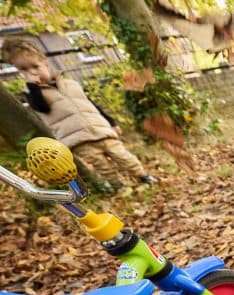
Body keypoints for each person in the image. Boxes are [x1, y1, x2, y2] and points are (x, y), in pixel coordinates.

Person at [0, 37, 158, 188]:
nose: (32, 72)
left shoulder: (71, 83)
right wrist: (33, 87)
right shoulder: (31, 93)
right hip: (77, 140)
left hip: (101, 130)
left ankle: (143, 176)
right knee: (102, 165)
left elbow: (92, 104)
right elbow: (42, 108)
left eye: (35, 66)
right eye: (24, 70)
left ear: (46, 64)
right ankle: (118, 185)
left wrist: (111, 122)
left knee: (124, 156)